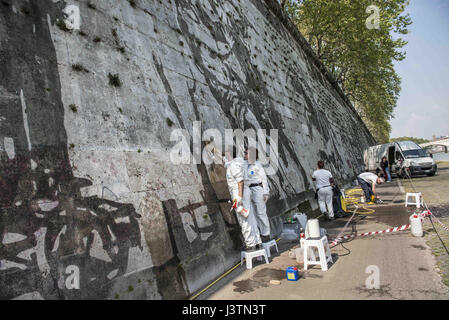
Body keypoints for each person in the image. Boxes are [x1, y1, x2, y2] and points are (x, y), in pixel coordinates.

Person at [223, 147, 262, 252]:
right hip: (245, 191)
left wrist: (239, 197)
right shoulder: (239, 162)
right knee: (251, 217)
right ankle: (258, 242)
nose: (224, 156)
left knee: (244, 219)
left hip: (239, 192)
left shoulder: (234, 165)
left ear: (230, 155)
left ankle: (250, 245)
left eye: (226, 154)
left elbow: (240, 181)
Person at [243, 148, 271, 243]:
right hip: (248, 189)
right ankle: (258, 234)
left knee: (261, 212)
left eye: (246, 153)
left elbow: (264, 179)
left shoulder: (257, 165)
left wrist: (266, 192)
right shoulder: (244, 164)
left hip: (257, 188)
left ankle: (266, 234)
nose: (244, 154)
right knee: (253, 213)